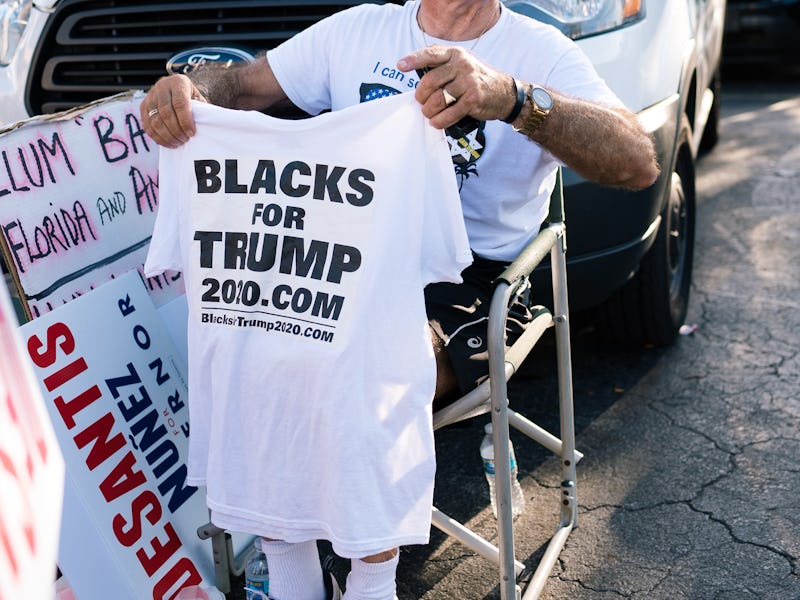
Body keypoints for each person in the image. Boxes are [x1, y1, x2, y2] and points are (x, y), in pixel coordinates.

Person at [142, 1, 659, 598]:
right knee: (250, 329)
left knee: (374, 357)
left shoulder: (541, 50)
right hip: (347, 256)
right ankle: (291, 566)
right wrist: (185, 88)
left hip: (471, 280)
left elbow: (637, 162)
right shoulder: (357, 29)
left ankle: (371, 578)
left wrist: (514, 98)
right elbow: (233, 85)